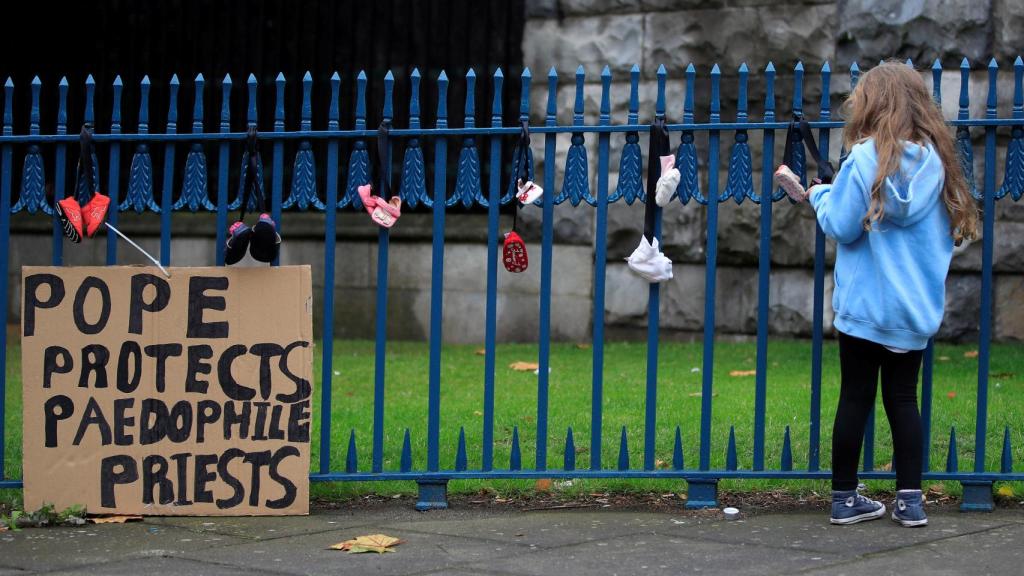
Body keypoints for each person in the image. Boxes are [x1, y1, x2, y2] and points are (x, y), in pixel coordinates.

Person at [803, 61, 978, 527]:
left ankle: (844, 500)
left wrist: (819, 194)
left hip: (864, 308)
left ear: (871, 105)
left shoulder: (863, 159)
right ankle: (911, 501)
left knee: (855, 397)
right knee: (904, 399)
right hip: (912, 310)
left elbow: (840, 224)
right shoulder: (938, 166)